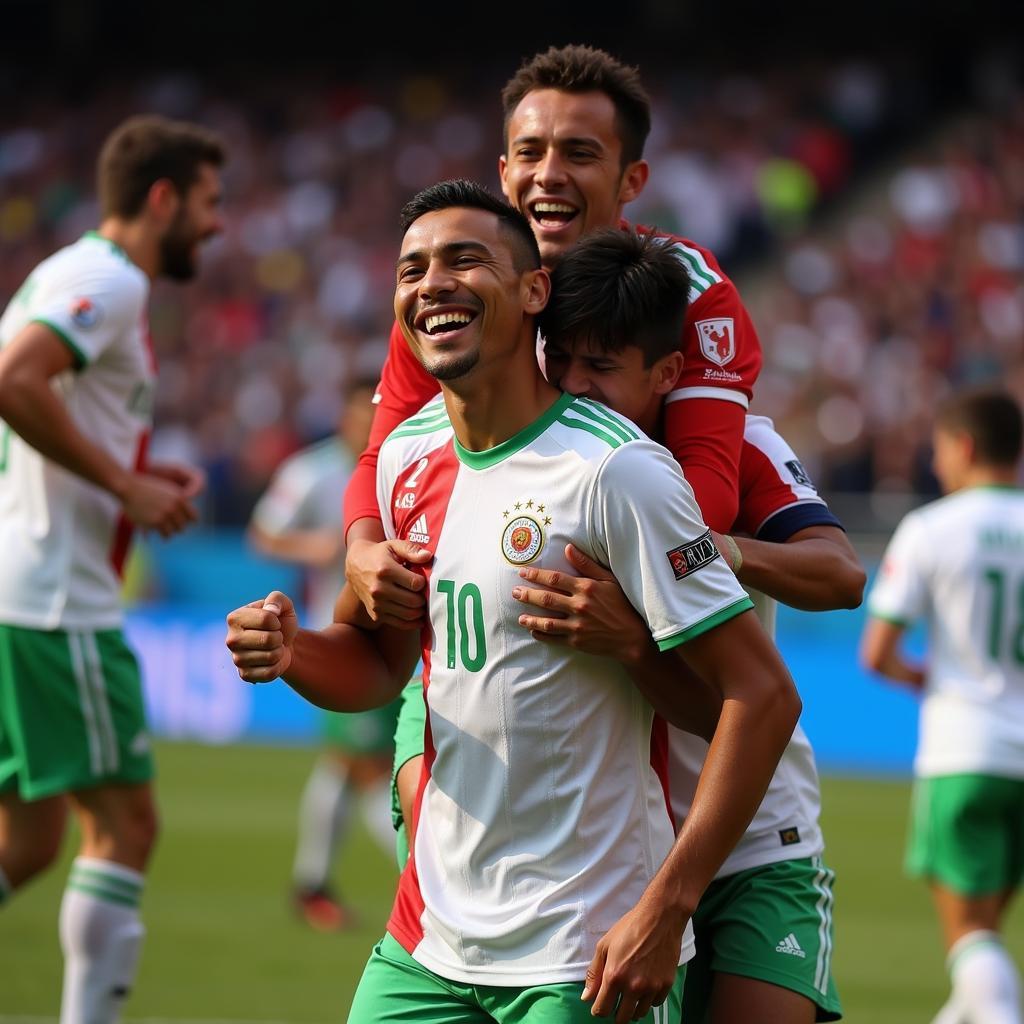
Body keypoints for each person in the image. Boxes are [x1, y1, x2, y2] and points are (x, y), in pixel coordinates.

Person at [227, 180, 801, 1024]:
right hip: (427, 940)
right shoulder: (403, 463)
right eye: (412, 267)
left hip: (583, 950)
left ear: (535, 291)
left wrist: (668, 907)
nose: (433, 282)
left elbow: (763, 694)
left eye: (466, 259)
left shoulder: (620, 471)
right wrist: (291, 652)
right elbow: (378, 667)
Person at [392, 228, 862, 1022]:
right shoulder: (511, 459)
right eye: (562, 361)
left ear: (667, 373)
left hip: (748, 837)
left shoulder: (728, 442)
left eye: (601, 367)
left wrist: (697, 554)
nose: (575, 384)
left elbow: (841, 575)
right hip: (593, 862)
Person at [342, 44, 764, 630]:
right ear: (503, 172)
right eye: (529, 152)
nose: (548, 174)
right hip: (472, 617)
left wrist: (582, 565)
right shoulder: (451, 299)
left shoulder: (691, 293)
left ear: (631, 179)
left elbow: (708, 486)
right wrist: (362, 549)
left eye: (579, 153)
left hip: (615, 609)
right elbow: (380, 458)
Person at [0, 115, 225, 1024]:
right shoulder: (111, 278)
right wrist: (126, 484)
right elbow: (14, 379)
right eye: (209, 205)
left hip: (19, 585)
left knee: (28, 839)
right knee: (126, 826)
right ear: (161, 198)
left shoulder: (63, 272)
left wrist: (125, 470)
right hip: (57, 602)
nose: (216, 226)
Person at [861, 387, 1024, 1024]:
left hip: (965, 749)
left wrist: (922, 678)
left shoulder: (932, 528)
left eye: (938, 451)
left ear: (964, 446)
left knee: (970, 941)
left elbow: (877, 651)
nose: (935, 465)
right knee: (984, 944)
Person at [248, 377, 400, 931]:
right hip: (340, 638)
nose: (370, 421)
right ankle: (424, 883)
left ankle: (311, 885)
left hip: (403, 633)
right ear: (344, 416)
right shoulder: (311, 472)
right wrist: (314, 546)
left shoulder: (403, 460)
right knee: (367, 770)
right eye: (363, 411)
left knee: (342, 767)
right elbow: (263, 534)